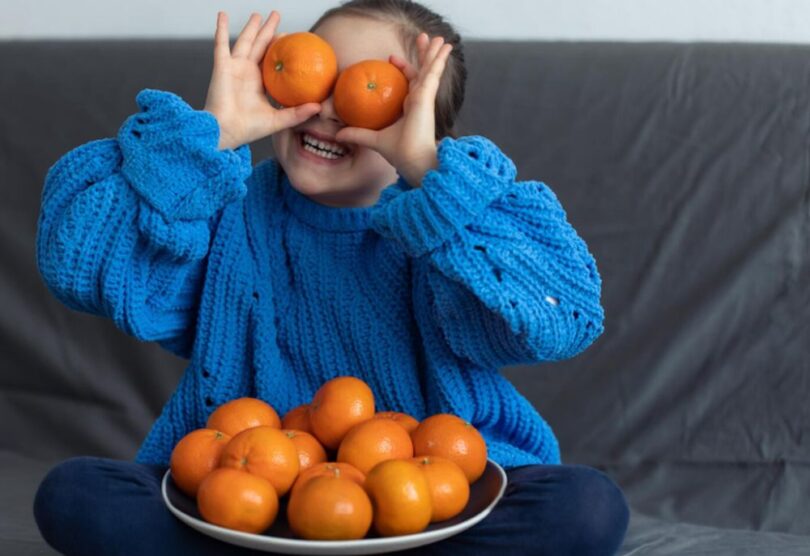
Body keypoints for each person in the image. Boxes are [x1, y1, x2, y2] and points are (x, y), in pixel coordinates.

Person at [32, 1, 630, 554]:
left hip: (431, 502)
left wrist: (429, 173)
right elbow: (75, 261)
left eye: (370, 89)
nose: (327, 109)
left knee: (587, 509)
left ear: (420, 125)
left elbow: (561, 316)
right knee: (77, 496)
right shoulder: (218, 206)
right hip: (243, 493)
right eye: (315, 76)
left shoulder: (451, 230)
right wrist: (206, 139)